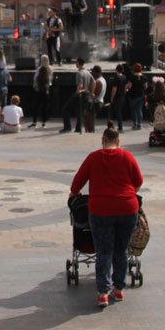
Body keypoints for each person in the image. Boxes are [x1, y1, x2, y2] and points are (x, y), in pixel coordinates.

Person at [70, 124, 143, 308]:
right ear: (118, 141)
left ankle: (102, 292)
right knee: (121, 249)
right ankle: (118, 289)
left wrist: (74, 194)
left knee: (103, 251)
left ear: (103, 141)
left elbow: (77, 183)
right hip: (127, 209)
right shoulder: (127, 156)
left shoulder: (93, 158)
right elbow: (138, 182)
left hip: (100, 210)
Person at [60, 58, 93, 134]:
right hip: (86, 94)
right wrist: (91, 92)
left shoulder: (79, 73)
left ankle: (67, 127)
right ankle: (78, 128)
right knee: (80, 111)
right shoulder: (88, 72)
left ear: (78, 63)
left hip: (80, 94)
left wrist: (77, 93)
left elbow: (80, 85)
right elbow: (94, 82)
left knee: (65, 108)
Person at [126, 63, 151, 131]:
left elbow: (129, 86)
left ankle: (134, 123)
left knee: (133, 110)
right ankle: (139, 124)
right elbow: (146, 87)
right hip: (141, 95)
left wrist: (127, 87)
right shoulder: (144, 77)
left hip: (133, 95)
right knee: (139, 110)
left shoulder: (132, 77)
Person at [31, 54, 53, 129]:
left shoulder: (39, 69)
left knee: (36, 106)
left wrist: (35, 86)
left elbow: (35, 78)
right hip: (46, 90)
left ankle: (34, 122)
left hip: (38, 90)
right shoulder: (50, 69)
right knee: (45, 107)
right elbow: (51, 80)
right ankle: (44, 123)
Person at [87, 65, 106, 134]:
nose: (91, 73)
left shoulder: (98, 82)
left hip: (95, 103)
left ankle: (90, 132)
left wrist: (89, 91)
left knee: (90, 118)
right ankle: (90, 131)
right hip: (99, 101)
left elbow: (95, 93)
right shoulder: (103, 79)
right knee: (90, 118)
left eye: (93, 72)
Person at [109, 64, 128, 131]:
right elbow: (126, 86)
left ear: (116, 69)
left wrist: (112, 97)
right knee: (120, 111)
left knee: (117, 112)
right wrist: (124, 92)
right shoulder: (124, 77)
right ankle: (120, 125)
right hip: (122, 96)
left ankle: (120, 126)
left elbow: (114, 89)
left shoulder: (116, 78)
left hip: (117, 96)